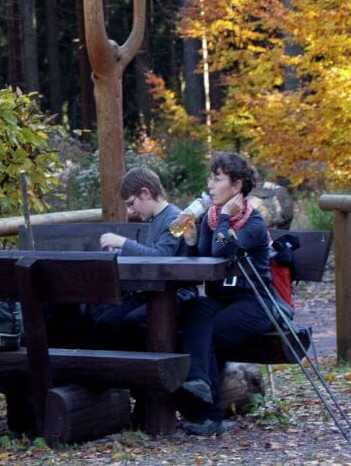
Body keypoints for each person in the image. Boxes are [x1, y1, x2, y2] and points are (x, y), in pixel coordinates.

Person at [176, 151, 272, 436]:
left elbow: (224, 248)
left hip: (253, 303)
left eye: (217, 179)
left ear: (237, 186)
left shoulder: (253, 223)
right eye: (210, 178)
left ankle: (209, 414)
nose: (210, 185)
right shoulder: (211, 218)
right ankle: (199, 386)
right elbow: (207, 261)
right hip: (222, 300)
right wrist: (192, 243)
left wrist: (225, 218)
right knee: (194, 310)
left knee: (210, 333)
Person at [85, 166, 183, 347]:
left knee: (112, 322)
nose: (132, 210)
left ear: (145, 193)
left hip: (170, 295)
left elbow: (161, 256)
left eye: (131, 203)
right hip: (148, 291)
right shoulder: (156, 219)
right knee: (95, 313)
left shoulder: (176, 219)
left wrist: (122, 242)